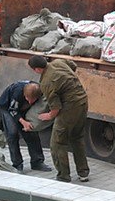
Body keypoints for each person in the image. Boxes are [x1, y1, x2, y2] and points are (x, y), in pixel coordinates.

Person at [28, 55, 90, 183]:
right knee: (77, 137)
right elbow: (73, 66)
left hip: (70, 108)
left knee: (57, 143)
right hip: (82, 101)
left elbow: (56, 108)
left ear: (37, 69)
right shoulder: (59, 62)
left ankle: (63, 176)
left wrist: (48, 116)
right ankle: (83, 173)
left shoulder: (46, 83)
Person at [0, 80, 52, 173]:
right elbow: (13, 110)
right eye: (27, 98)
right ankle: (17, 164)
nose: (29, 101)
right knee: (12, 133)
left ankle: (37, 162)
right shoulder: (17, 92)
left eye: (32, 100)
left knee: (31, 131)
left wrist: (28, 123)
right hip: (8, 108)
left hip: (23, 108)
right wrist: (23, 122)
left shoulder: (38, 90)